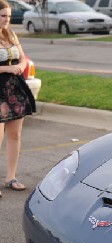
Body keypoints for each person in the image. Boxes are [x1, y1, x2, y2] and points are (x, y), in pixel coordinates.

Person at [0, 0, 36, 198]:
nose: (7, 20)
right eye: (3, 16)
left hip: (15, 89)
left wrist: (21, 66)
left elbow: (22, 58)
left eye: (8, 16)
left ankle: (10, 178)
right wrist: (6, 68)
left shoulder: (11, 34)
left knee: (15, 135)